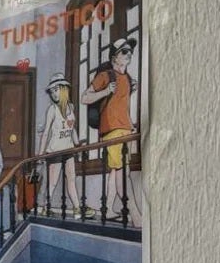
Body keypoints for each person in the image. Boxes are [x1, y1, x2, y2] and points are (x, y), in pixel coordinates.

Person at [83, 37, 142, 224]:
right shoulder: (106, 76)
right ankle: (134, 213)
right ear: (114, 57)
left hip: (126, 129)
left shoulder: (128, 78)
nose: (129, 54)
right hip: (112, 130)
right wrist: (105, 90)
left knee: (115, 172)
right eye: (124, 51)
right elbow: (85, 98)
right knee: (122, 171)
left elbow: (120, 105)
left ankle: (107, 210)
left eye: (130, 51)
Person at [37, 73, 82, 217]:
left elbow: (72, 128)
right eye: (52, 91)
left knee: (71, 179)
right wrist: (40, 154)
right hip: (55, 151)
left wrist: (78, 144)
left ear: (64, 89)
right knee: (53, 182)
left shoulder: (71, 107)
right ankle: (46, 207)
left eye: (56, 89)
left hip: (69, 149)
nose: (54, 94)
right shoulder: (52, 110)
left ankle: (77, 208)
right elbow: (45, 133)